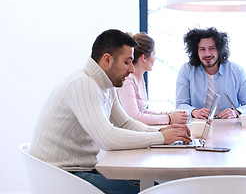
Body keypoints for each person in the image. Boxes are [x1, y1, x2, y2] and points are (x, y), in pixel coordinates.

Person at [30, 29, 192, 194]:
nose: (131, 69)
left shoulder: (107, 84)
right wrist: (161, 137)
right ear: (107, 59)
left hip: (79, 171)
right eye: (127, 62)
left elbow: (126, 123)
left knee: (157, 186)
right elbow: (107, 138)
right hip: (61, 177)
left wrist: (162, 131)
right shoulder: (82, 83)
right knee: (155, 190)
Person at [176, 27, 246, 119]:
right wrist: (194, 112)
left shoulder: (237, 70)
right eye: (202, 49)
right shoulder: (187, 70)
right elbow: (181, 105)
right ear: (196, 51)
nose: (207, 54)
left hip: (230, 127)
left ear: (219, 49)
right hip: (198, 126)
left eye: (212, 48)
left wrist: (236, 112)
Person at [117, 32, 189, 125]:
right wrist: (169, 119)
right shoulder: (127, 80)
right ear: (144, 57)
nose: (155, 58)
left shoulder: (139, 78)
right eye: (153, 54)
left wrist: (168, 115)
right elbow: (134, 117)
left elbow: (142, 112)